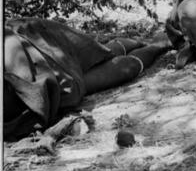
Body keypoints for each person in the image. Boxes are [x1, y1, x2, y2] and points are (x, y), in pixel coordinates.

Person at [4, 17, 170, 141]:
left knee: (102, 53)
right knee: (122, 68)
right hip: (54, 82)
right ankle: (157, 45)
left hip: (38, 42)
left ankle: (157, 43)